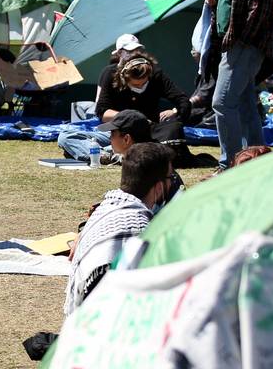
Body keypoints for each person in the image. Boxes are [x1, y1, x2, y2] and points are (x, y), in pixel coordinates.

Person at [63, 143, 175, 315]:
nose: (173, 184)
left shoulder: (108, 206)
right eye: (170, 178)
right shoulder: (137, 231)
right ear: (159, 187)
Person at [58, 52, 194, 164]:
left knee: (76, 148)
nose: (140, 87)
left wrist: (175, 111)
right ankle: (111, 155)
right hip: (116, 131)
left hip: (146, 134)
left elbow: (183, 101)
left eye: (144, 83)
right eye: (135, 85)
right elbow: (101, 111)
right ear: (124, 78)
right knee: (65, 136)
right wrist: (130, 117)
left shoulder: (157, 75)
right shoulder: (110, 74)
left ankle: (111, 154)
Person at [209, 0, 273, 167]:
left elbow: (259, 6)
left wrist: (242, 40)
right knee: (245, 105)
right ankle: (255, 162)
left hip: (242, 45)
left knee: (222, 103)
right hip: (234, 44)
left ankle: (229, 166)